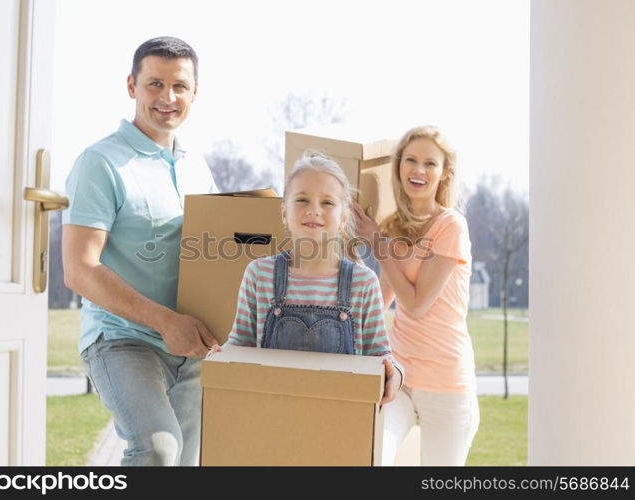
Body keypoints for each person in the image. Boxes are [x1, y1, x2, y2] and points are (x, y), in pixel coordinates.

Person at [61, 36, 219, 466]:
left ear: (194, 93)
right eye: (155, 84)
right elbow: (79, 269)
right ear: (132, 86)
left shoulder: (197, 167)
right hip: (122, 339)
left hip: (193, 342)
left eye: (179, 86)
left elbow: (221, 253)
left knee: (187, 462)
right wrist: (166, 322)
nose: (167, 98)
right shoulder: (100, 163)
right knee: (158, 450)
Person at [222, 152, 403, 404]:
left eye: (327, 203)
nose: (313, 210)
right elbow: (239, 345)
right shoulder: (259, 274)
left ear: (343, 219)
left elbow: (381, 356)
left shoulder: (363, 283)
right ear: (284, 213)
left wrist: (396, 375)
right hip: (270, 415)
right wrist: (220, 357)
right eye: (302, 199)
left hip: (338, 417)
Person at [353, 126, 479, 466]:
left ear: (444, 174)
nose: (418, 171)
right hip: (400, 378)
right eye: (410, 160)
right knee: (372, 458)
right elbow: (382, 301)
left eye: (429, 163)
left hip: (447, 383)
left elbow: (416, 303)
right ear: (398, 167)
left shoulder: (450, 225)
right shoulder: (392, 227)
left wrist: (377, 244)